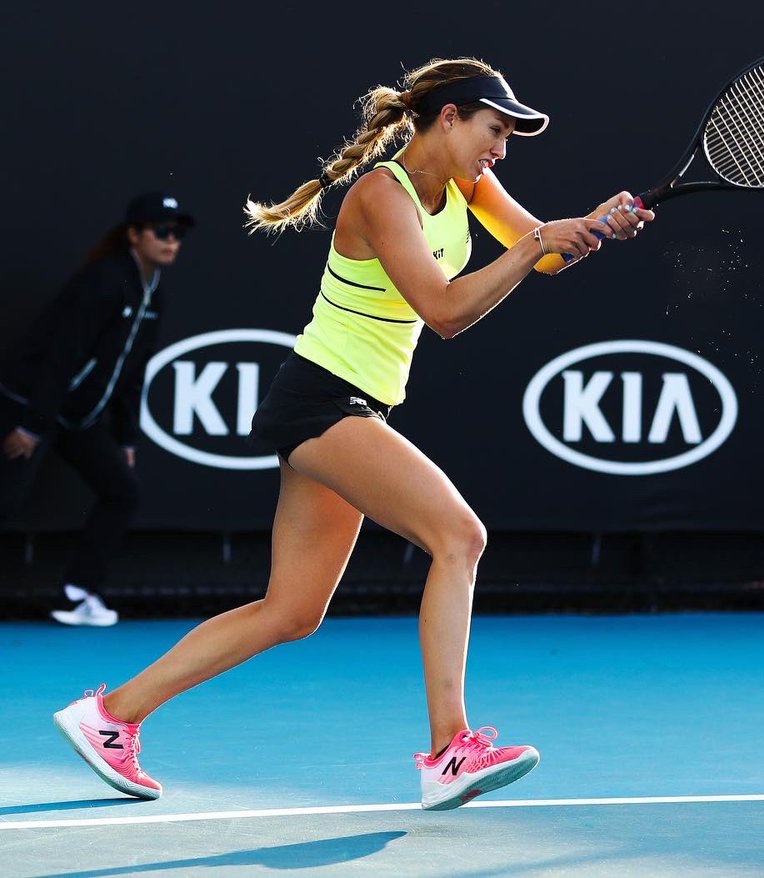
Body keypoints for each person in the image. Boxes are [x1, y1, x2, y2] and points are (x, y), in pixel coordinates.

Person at [53, 57, 654, 810]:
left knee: (291, 612)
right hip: (323, 400)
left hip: (344, 404)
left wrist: (594, 225)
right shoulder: (380, 194)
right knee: (459, 537)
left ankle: (110, 716)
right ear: (449, 118)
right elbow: (445, 310)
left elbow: (546, 253)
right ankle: (450, 749)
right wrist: (538, 245)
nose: (501, 149)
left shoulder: (467, 185)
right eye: (495, 130)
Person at [1, 193, 193, 626]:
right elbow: (62, 357)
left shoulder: (153, 295)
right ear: (134, 234)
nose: (172, 241)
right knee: (6, 500)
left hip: (75, 416)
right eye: (162, 231)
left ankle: (77, 595)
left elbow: (132, 372)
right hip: (31, 405)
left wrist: (126, 439)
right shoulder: (103, 281)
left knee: (122, 491)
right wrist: (31, 426)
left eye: (178, 233)